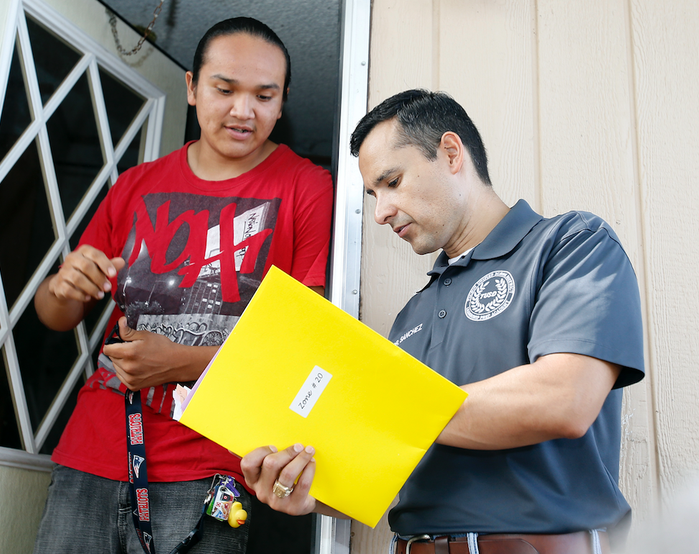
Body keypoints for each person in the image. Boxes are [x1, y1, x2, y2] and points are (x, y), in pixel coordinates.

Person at [240, 89, 645, 554]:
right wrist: (307, 488)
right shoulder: (410, 316)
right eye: (373, 194)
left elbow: (565, 397)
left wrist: (382, 406)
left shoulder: (571, 243)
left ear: (451, 153)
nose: (380, 211)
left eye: (391, 182)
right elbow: (385, 474)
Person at [32, 17, 333, 554]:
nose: (244, 111)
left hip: (213, 466)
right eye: (225, 89)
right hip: (92, 450)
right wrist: (62, 287)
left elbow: (304, 345)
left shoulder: (306, 188)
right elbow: (57, 317)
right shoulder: (136, 185)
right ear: (192, 88)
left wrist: (182, 361)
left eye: (264, 96)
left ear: (282, 103)